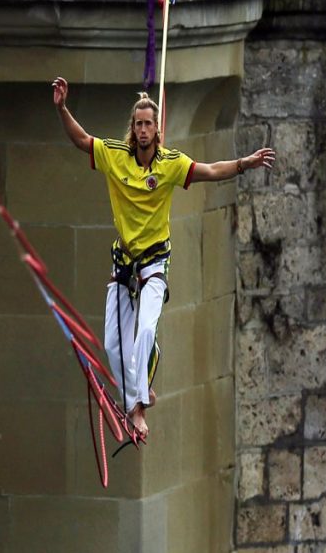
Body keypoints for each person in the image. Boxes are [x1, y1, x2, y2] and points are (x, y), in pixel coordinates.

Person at [52, 76, 275, 438]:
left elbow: (210, 171)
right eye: (138, 124)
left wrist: (244, 164)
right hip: (123, 262)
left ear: (157, 129)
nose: (142, 130)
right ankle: (137, 395)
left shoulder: (170, 163)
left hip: (155, 262)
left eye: (148, 124)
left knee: (143, 332)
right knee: (112, 343)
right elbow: (80, 139)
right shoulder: (115, 156)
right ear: (133, 128)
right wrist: (62, 109)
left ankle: (138, 406)